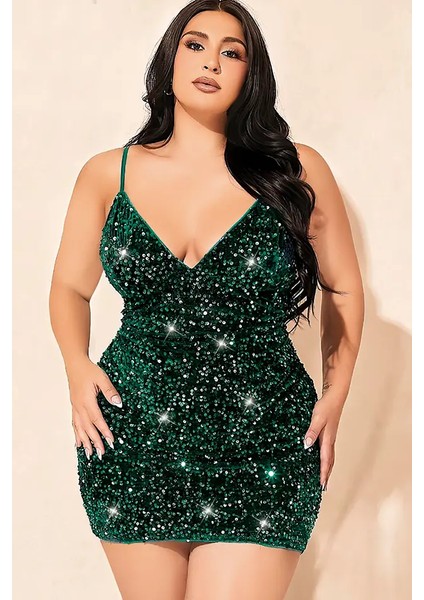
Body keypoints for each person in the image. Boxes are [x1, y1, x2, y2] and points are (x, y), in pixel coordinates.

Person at [49, 1, 364, 598]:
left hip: (264, 440)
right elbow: (69, 286)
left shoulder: (296, 171)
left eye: (232, 52)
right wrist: (75, 364)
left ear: (251, 74)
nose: (211, 62)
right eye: (195, 45)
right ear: (170, 58)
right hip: (133, 435)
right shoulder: (106, 174)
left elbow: (343, 286)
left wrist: (337, 392)